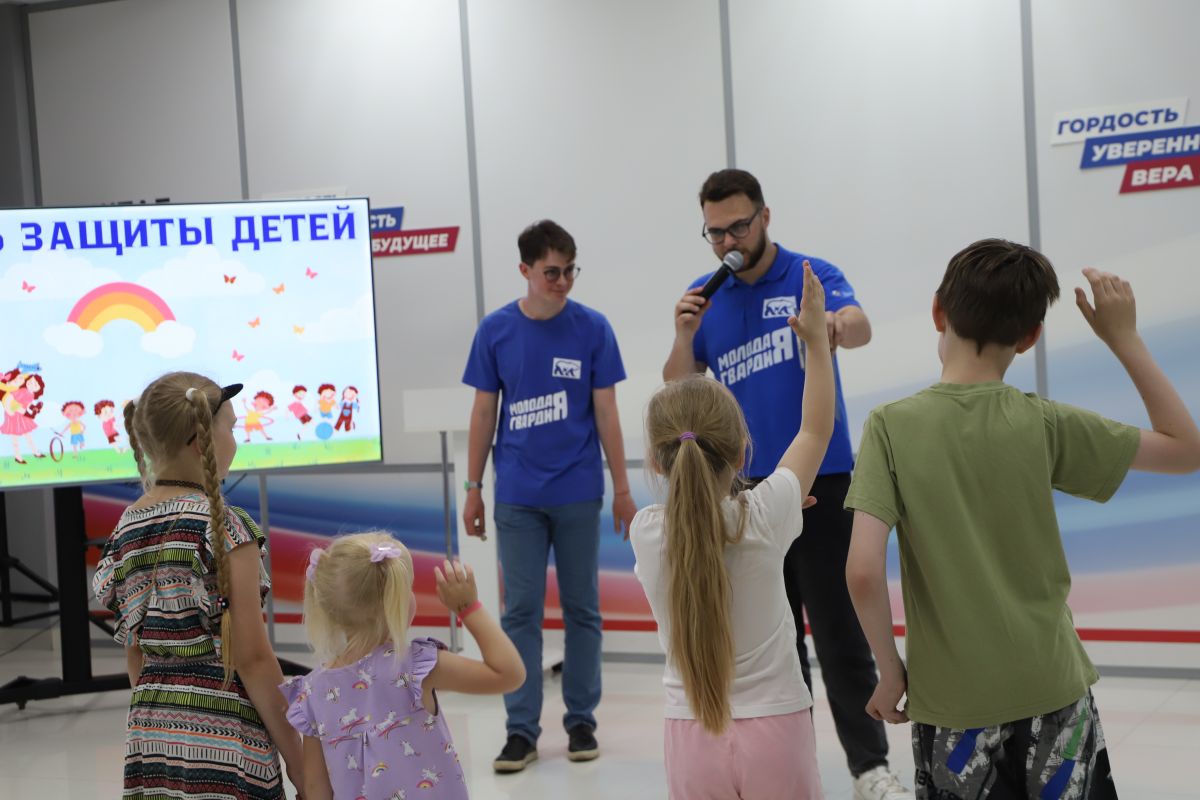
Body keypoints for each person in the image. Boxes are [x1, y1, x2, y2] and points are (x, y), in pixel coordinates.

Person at [844, 241, 1200, 798]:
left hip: (953, 704)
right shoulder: (1043, 422)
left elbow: (863, 572)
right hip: (1054, 689)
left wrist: (891, 673)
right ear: (1031, 336)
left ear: (937, 310)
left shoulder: (890, 426)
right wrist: (1124, 338)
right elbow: (1185, 449)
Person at [664, 168, 910, 799]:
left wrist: (830, 326)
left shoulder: (809, 273)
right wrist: (684, 334)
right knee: (771, 642)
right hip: (741, 495)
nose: (728, 242)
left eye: (738, 227)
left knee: (840, 634)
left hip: (821, 482)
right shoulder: (705, 297)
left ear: (765, 217)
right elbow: (678, 387)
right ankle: (787, 765)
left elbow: (860, 325)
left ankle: (870, 767)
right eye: (715, 233)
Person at [632, 263, 833, 799]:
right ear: (744, 452)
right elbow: (815, 429)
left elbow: (700, 516)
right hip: (777, 730)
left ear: (656, 461)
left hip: (690, 733)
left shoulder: (647, 532)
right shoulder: (765, 514)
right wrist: (816, 342)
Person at [461, 219, 637, 773]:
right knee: (521, 614)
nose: (563, 282)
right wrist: (473, 488)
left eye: (569, 271)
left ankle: (581, 721)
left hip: (579, 491)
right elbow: (483, 412)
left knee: (583, 610)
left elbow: (606, 411)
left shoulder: (593, 328)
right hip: (517, 496)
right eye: (551, 272)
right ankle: (521, 730)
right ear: (525, 270)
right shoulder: (496, 330)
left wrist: (623, 488)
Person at [91, 372, 303, 799]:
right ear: (199, 440)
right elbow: (253, 660)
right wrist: (303, 768)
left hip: (152, 738)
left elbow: (136, 654)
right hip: (226, 738)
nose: (235, 441)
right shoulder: (225, 528)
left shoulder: (126, 527)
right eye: (231, 428)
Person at [281, 534, 525, 799]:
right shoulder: (415, 666)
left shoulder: (314, 690)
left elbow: (316, 787)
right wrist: (468, 608)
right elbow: (508, 674)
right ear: (395, 602)